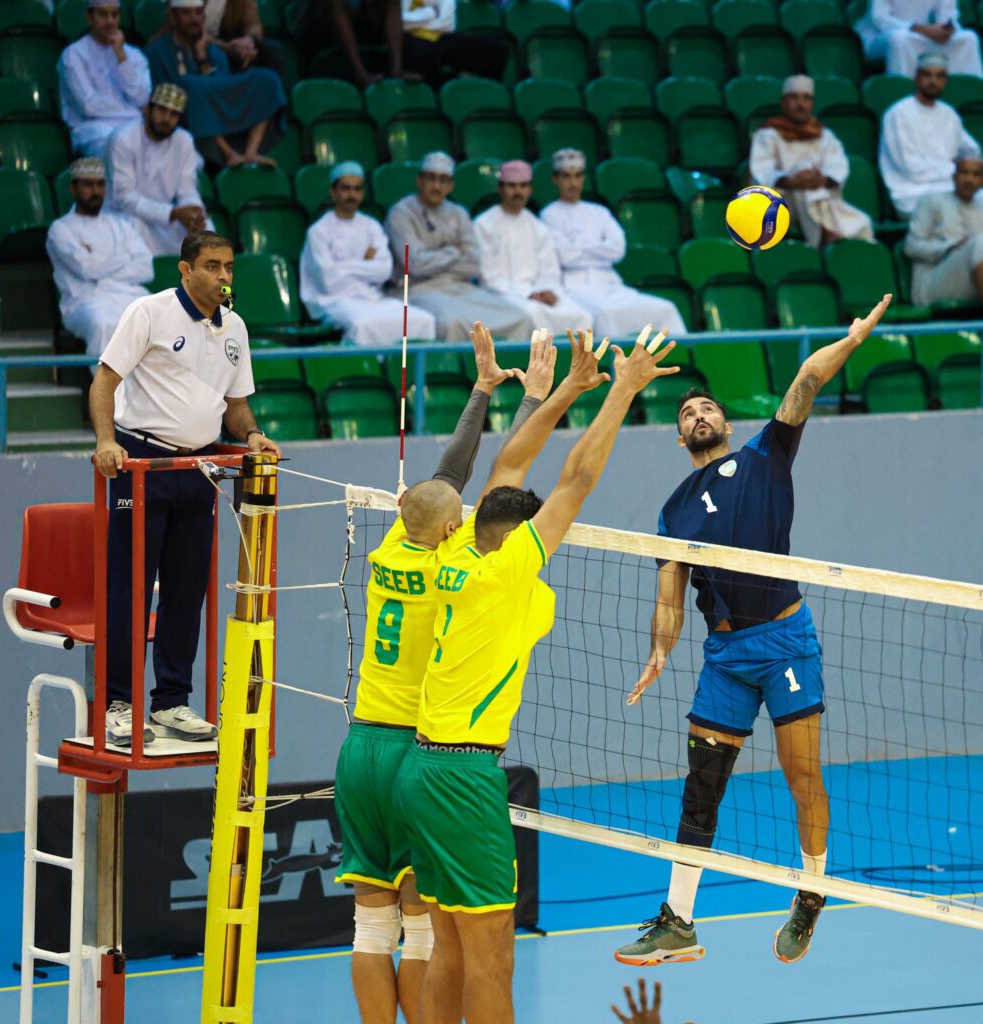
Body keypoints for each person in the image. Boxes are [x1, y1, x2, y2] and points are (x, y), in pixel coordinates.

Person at [394, 325, 681, 1024]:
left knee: (445, 949)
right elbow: (575, 481)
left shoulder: (456, 548)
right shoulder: (507, 573)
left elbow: (509, 467)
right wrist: (621, 388)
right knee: (493, 957)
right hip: (464, 777)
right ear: (520, 540)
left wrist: (568, 391)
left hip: (419, 769)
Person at [614, 295, 893, 970]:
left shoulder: (766, 455)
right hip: (725, 657)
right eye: (686, 412)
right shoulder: (673, 511)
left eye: (706, 407)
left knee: (802, 776)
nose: (697, 413)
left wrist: (852, 339)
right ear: (680, 438)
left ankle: (812, 889)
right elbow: (670, 598)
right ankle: (678, 921)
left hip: (785, 642)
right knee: (701, 786)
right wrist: (658, 651)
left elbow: (807, 379)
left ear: (725, 422)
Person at [335, 325, 552, 1024]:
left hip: (359, 746)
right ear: (454, 529)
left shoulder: (394, 546)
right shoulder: (452, 569)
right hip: (416, 750)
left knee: (370, 928)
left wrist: (483, 387)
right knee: (426, 929)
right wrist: (531, 400)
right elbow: (500, 482)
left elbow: (446, 478)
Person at [90, 231, 282, 746]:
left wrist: (253, 435)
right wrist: (106, 441)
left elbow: (235, 405)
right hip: (141, 463)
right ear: (186, 269)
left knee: (186, 590)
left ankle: (170, 702)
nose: (224, 276)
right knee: (130, 588)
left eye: (229, 267)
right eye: (213, 266)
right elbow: (105, 381)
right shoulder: (149, 313)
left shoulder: (235, 327)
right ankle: (117, 703)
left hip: (199, 468)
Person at [385, 151, 533, 342]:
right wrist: (453, 252)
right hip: (417, 289)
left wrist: (433, 259)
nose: (436, 186)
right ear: (419, 181)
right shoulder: (401, 213)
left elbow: (473, 265)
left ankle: (511, 363)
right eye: (431, 178)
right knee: (452, 323)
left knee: (520, 317)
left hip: (460, 287)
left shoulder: (458, 213)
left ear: (450, 186)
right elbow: (415, 265)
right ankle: (461, 363)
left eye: (443, 180)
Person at [540, 149, 687, 340]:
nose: (572, 182)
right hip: (574, 287)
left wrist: (580, 247)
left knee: (665, 308)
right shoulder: (549, 214)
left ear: (583, 178)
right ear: (555, 180)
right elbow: (565, 256)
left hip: (610, 284)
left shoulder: (599, 212)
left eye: (577, 176)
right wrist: (599, 248)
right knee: (604, 314)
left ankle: (676, 358)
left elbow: (618, 250)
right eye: (566, 176)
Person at [299, 161, 436, 345]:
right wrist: (366, 266)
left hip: (373, 298)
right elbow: (328, 282)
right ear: (333, 192)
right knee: (362, 325)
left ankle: (411, 364)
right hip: (334, 302)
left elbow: (384, 271)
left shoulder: (372, 226)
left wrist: (341, 267)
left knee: (423, 319)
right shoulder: (319, 231)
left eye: (357, 189)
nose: (352, 195)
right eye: (346, 189)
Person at [145, 0, 286, 169]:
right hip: (181, 116)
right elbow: (162, 94)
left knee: (267, 79)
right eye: (186, 13)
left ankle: (251, 152)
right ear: (174, 17)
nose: (194, 19)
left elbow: (219, 87)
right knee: (192, 87)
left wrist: (202, 57)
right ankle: (229, 155)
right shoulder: (156, 51)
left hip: (215, 107)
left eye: (198, 13)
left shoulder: (214, 51)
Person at [749, 76, 874, 249]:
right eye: (794, 98)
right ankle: (825, 237)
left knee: (863, 222)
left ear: (812, 104)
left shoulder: (824, 136)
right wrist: (791, 180)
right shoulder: (768, 134)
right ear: (783, 103)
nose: (800, 104)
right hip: (781, 204)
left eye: (806, 98)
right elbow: (761, 171)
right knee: (804, 174)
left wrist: (819, 179)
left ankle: (827, 236)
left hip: (822, 199)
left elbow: (837, 168)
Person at [47, 158, 153, 362]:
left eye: (100, 184)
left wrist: (98, 261)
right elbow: (87, 270)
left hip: (130, 294)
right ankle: (108, 384)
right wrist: (125, 256)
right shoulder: (61, 229)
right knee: (103, 323)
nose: (96, 191)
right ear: (73, 188)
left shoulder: (121, 225)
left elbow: (146, 268)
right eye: (88, 185)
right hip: (85, 302)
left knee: (164, 317)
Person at [474, 160, 593, 336]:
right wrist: (526, 295)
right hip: (500, 295)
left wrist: (547, 291)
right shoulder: (483, 224)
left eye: (523, 186)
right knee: (532, 314)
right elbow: (489, 277)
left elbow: (549, 271)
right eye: (511, 186)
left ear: (530, 190)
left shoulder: (537, 226)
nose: (517, 192)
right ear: (500, 188)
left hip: (537, 293)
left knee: (582, 316)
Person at [106, 83, 212, 257]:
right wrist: (173, 213)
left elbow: (187, 189)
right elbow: (124, 198)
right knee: (132, 227)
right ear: (148, 110)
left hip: (165, 219)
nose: (166, 119)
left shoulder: (183, 140)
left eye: (174, 115)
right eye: (162, 111)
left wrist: (194, 212)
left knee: (207, 230)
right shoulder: (123, 139)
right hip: (125, 215)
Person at [879, 51, 981, 217]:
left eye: (939, 76)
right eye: (927, 75)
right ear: (916, 77)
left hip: (951, 188)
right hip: (913, 192)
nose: (933, 81)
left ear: (945, 81)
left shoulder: (949, 113)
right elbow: (910, 168)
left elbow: (972, 149)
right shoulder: (898, 113)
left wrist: (963, 170)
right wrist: (955, 170)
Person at [904, 155, 983, 317]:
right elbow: (911, 246)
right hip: (933, 282)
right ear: (955, 176)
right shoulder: (932, 201)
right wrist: (949, 247)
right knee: (979, 243)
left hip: (972, 281)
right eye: (964, 173)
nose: (969, 179)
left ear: (982, 181)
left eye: (975, 174)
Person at [58, 0, 152, 157]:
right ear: (89, 17)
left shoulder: (134, 55)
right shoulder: (73, 55)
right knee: (121, 151)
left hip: (136, 126)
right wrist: (132, 110)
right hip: (94, 130)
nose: (110, 21)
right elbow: (88, 106)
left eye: (114, 15)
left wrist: (121, 56)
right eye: (103, 14)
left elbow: (142, 98)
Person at [856, 0, 983, 78]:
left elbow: (949, 17)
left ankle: (968, 94)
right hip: (880, 36)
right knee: (900, 40)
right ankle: (904, 93)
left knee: (969, 38)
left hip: (920, 34)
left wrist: (946, 30)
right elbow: (880, 20)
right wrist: (922, 29)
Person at [401, 0, 509, 88]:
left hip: (439, 37)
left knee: (495, 49)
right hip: (406, 40)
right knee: (425, 54)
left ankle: (490, 98)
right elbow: (397, 23)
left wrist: (413, 22)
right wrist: (430, 13)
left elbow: (446, 24)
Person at [197, 0, 286, 77]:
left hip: (229, 39)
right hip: (199, 43)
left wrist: (249, 40)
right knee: (216, 54)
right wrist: (227, 47)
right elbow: (193, 32)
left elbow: (254, 25)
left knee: (272, 50)